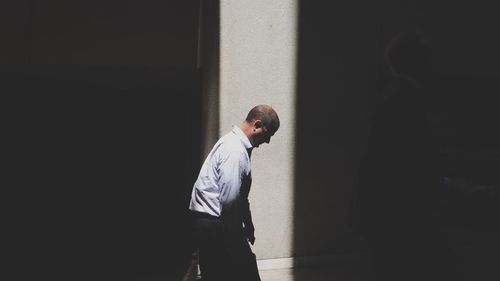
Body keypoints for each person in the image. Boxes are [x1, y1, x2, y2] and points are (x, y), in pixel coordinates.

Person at [356, 30, 458, 281]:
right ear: (419, 63)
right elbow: (412, 164)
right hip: (399, 216)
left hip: (387, 215)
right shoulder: (406, 101)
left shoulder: (394, 97)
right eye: (430, 59)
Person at [189, 105, 280, 281]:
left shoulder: (236, 145)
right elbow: (229, 202)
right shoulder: (235, 151)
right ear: (257, 125)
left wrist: (247, 221)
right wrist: (237, 245)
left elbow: (239, 195)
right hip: (214, 225)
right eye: (268, 134)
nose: (267, 141)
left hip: (212, 224)